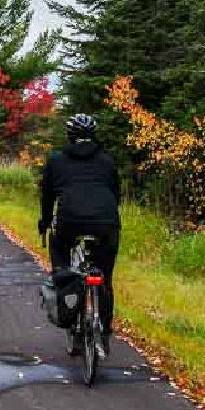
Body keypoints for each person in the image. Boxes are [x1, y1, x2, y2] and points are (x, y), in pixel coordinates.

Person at [38, 113, 120, 356]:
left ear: (70, 136)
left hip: (69, 222)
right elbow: (116, 196)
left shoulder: (56, 160)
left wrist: (44, 222)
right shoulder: (107, 161)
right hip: (106, 223)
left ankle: (68, 304)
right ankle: (103, 333)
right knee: (105, 278)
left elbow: (48, 197)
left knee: (61, 259)